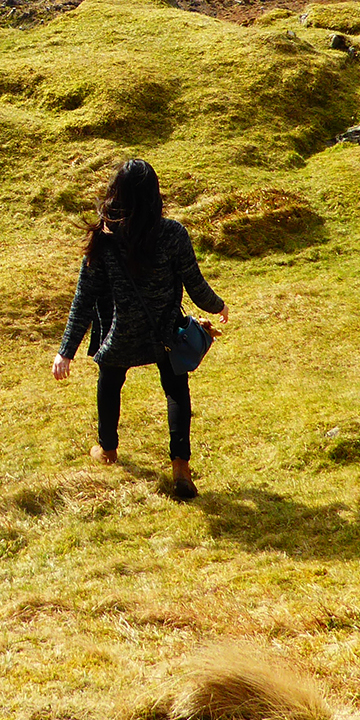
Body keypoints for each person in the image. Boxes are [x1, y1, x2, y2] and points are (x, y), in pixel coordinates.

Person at [52, 158, 227, 501]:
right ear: (154, 195)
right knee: (176, 390)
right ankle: (180, 465)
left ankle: (108, 449)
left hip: (120, 334)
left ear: (116, 194)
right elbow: (194, 283)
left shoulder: (105, 238)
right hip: (165, 333)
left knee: (110, 381)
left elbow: (83, 298)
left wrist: (66, 351)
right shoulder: (173, 233)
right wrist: (217, 305)